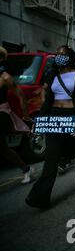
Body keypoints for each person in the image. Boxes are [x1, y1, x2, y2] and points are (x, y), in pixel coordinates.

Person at [26, 45, 75, 208]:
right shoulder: (53, 74)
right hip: (54, 117)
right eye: (58, 54)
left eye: (63, 54)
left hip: (72, 117)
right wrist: (40, 120)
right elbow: (47, 101)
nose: (60, 57)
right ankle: (41, 197)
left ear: (70, 57)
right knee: (51, 158)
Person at [0, 46, 34, 184]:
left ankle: (26, 169)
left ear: (2, 59)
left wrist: (26, 116)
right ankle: (26, 168)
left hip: (1, 112)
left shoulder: (5, 77)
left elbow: (21, 97)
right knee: (3, 149)